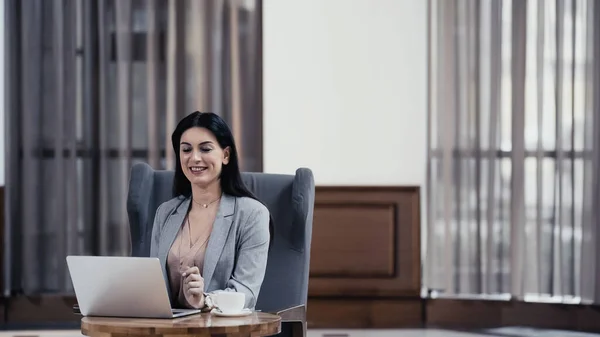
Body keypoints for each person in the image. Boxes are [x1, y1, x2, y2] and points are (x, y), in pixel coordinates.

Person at [149, 111, 271, 310]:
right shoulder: (165, 213)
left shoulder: (253, 214)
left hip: (220, 329)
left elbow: (246, 293)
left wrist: (205, 300)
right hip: (168, 328)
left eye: (205, 149)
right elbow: (154, 286)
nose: (194, 158)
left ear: (225, 155)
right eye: (186, 149)